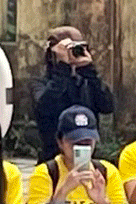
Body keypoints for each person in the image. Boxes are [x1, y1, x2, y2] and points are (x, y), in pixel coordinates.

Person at [36, 106, 126, 204]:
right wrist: (62, 192)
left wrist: (103, 203)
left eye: (87, 143)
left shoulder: (107, 171)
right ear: (60, 142)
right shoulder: (46, 172)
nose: (81, 148)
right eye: (76, 143)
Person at [30, 25, 114, 159]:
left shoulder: (87, 80)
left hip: (87, 154)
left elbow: (108, 106)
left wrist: (89, 70)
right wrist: (62, 68)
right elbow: (44, 107)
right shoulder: (41, 81)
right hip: (52, 155)